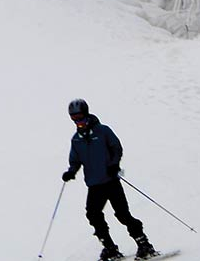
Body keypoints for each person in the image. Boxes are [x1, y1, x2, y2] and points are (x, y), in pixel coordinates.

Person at [62, 99, 157, 261]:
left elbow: (116, 148)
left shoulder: (103, 131)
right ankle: (110, 248)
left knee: (122, 214)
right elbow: (75, 160)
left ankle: (144, 244)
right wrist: (71, 172)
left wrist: (114, 164)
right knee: (93, 215)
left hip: (111, 181)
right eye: (74, 119)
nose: (78, 121)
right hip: (94, 184)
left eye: (80, 117)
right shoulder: (76, 139)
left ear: (86, 114)